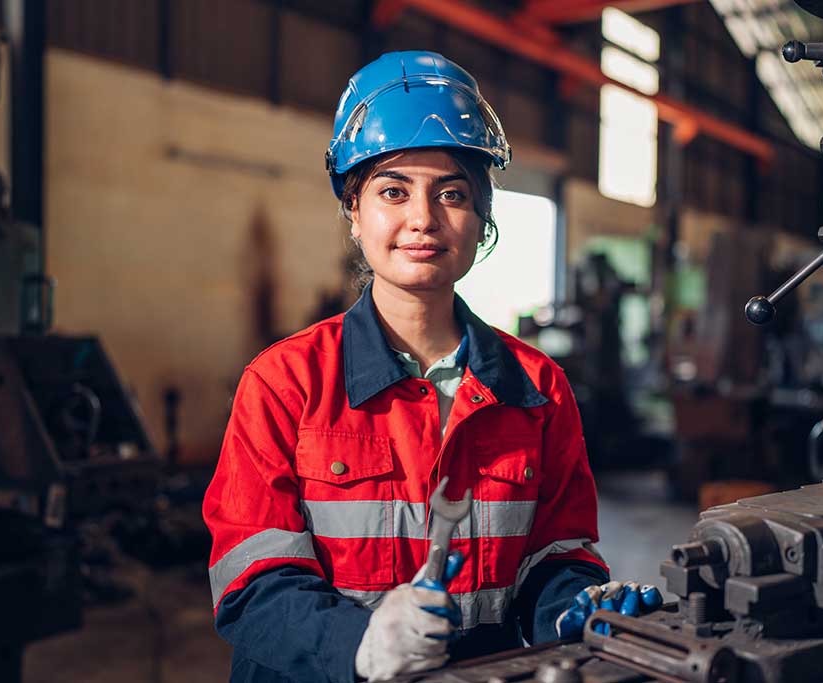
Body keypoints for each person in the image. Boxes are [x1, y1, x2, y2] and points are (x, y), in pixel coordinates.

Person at [203, 51, 659, 683]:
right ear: (354, 214)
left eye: (452, 193)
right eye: (394, 191)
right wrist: (362, 646)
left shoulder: (537, 388)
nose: (423, 219)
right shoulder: (285, 383)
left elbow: (555, 557)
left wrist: (578, 612)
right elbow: (249, 582)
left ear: (481, 220)